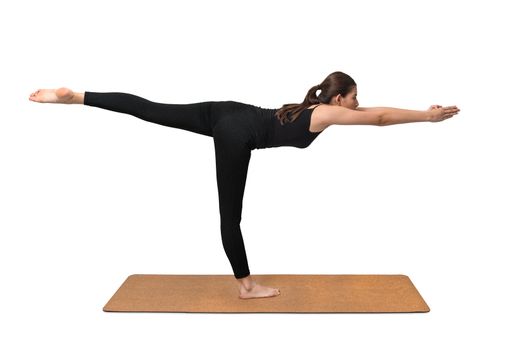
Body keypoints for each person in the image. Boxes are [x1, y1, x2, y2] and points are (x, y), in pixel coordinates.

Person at [28, 71, 460, 299]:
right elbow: (380, 118)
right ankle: (246, 286)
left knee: (151, 108)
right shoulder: (326, 114)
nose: (358, 104)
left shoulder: (311, 106)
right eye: (353, 97)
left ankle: (78, 97)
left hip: (226, 110)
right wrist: (427, 116)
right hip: (236, 133)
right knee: (229, 217)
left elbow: (374, 111)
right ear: (337, 99)